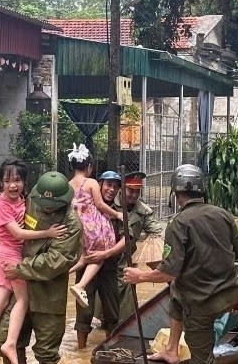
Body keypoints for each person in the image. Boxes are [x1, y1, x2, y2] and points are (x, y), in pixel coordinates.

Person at [124, 165, 238, 364]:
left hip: (202, 304)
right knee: (176, 291)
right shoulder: (224, 215)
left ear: (175, 193)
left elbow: (167, 273)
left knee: (201, 360)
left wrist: (140, 276)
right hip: (228, 295)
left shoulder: (178, 223)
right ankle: (171, 350)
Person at [0, 159, 67, 364]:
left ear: (25, 183)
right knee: (23, 300)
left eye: (17, 180)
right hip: (11, 256)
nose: (13, 185)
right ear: (1, 183)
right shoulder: (1, 203)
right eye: (8, 181)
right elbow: (17, 232)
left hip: (6, 252)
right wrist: (48, 232)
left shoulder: (23, 200)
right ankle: (9, 342)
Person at [0, 171, 82, 364]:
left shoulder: (71, 223)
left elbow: (57, 259)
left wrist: (21, 267)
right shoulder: (30, 202)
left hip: (48, 295)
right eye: (45, 206)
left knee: (46, 352)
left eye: (53, 207)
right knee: (4, 340)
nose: (47, 210)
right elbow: (9, 226)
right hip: (19, 287)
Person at [73, 170, 127, 349]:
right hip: (87, 262)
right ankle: (81, 351)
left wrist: (105, 254)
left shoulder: (119, 212)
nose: (111, 189)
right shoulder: (88, 205)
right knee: (84, 309)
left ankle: (111, 349)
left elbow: (127, 239)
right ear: (100, 185)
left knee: (112, 311)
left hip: (110, 267)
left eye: (115, 186)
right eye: (108, 185)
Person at [65, 144, 123, 308]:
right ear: (89, 167)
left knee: (85, 257)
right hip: (93, 227)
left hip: (77, 227)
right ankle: (80, 285)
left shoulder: (68, 185)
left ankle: (64, 273)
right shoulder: (90, 182)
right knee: (100, 255)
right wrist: (117, 214)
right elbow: (100, 205)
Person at [115, 171, 165, 320]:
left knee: (127, 309)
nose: (134, 195)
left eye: (137, 192)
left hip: (127, 262)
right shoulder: (109, 205)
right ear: (121, 188)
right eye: (131, 191)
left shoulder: (143, 211)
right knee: (103, 309)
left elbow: (156, 233)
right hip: (105, 262)